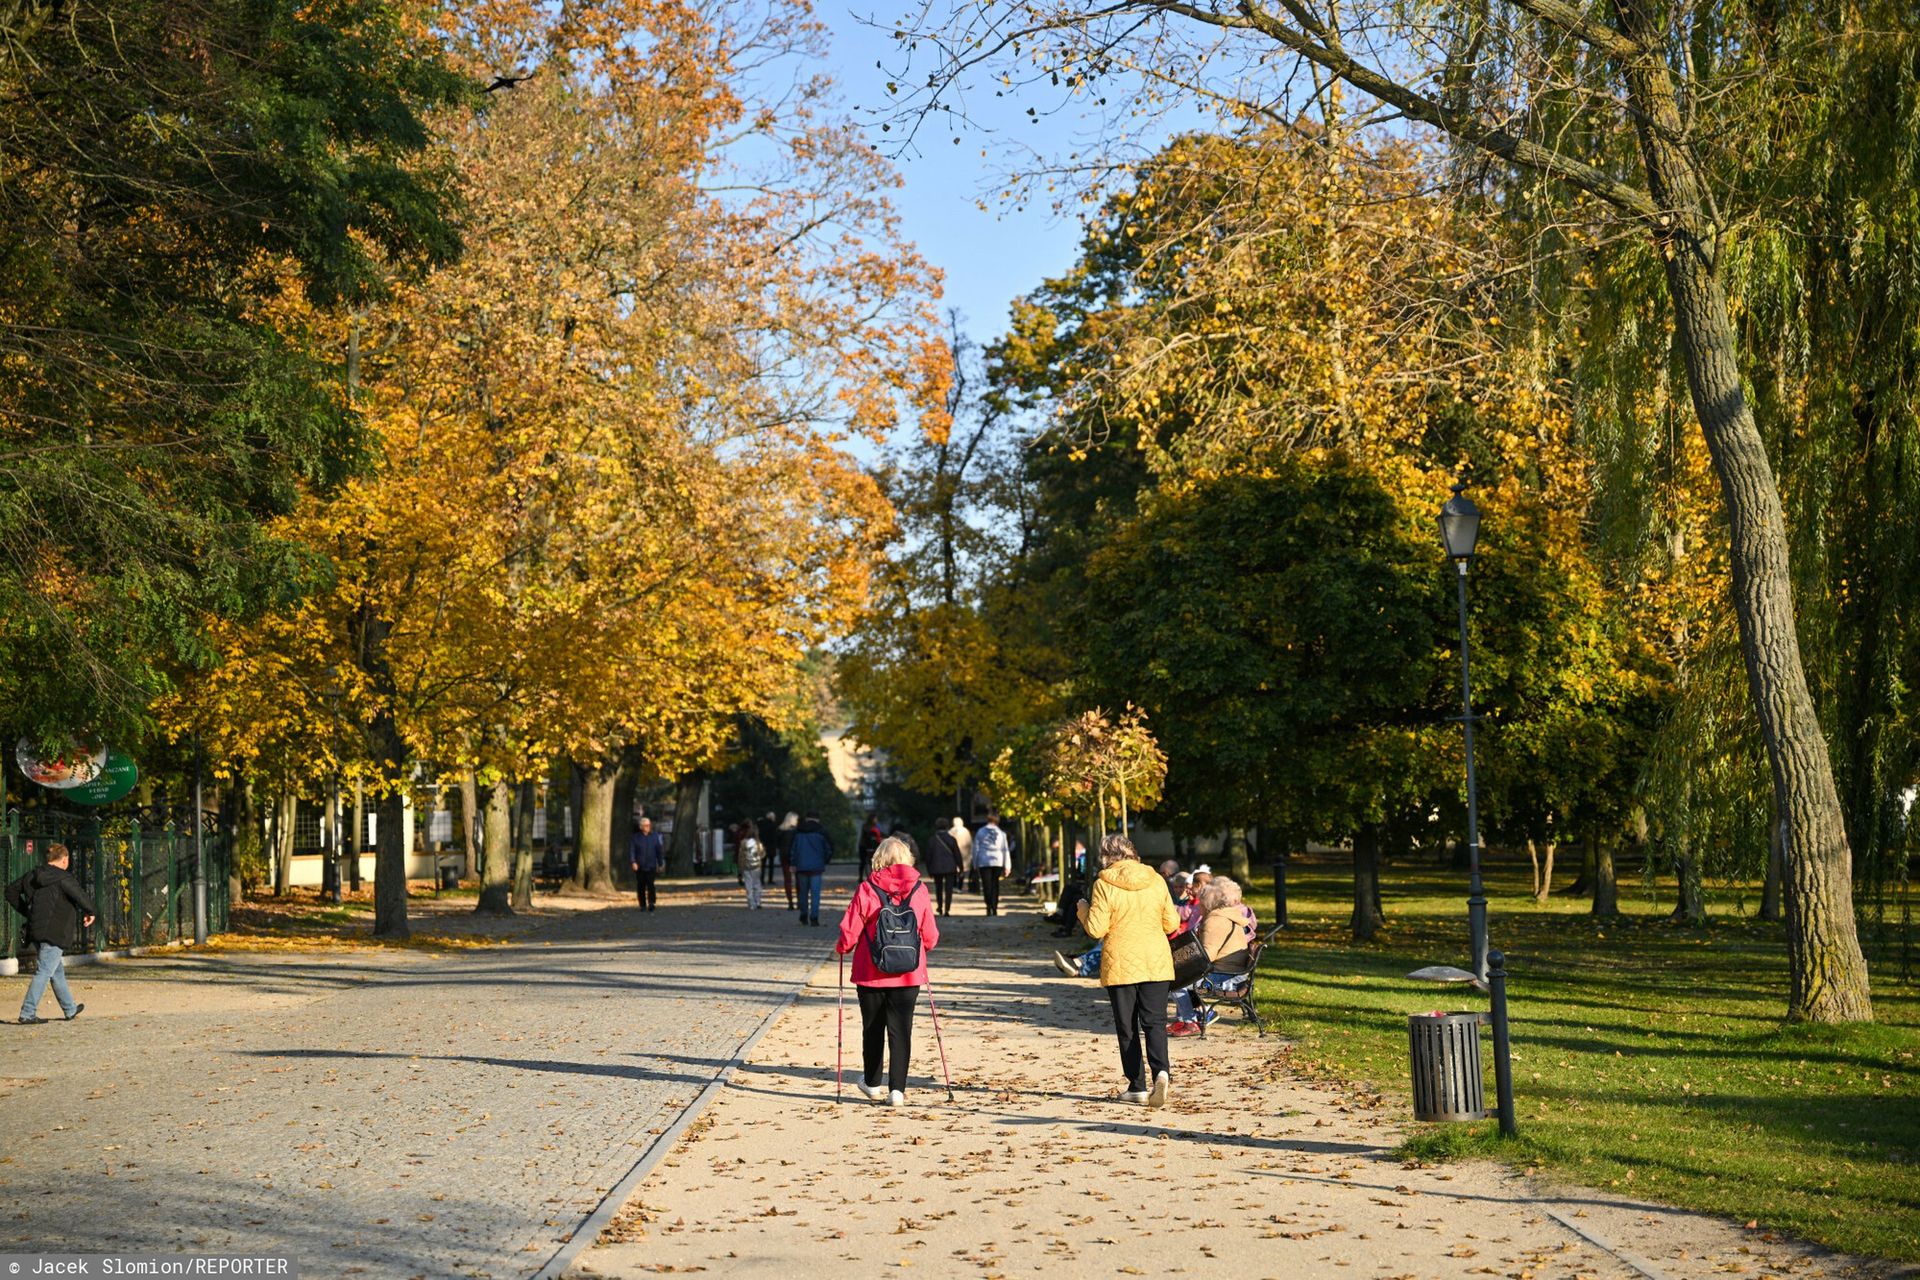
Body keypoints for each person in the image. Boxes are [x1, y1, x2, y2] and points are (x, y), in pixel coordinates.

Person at [834, 836, 940, 1105]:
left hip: (870, 972)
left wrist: (843, 947)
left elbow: (850, 930)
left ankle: (872, 1083)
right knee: (901, 1030)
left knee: (872, 1028)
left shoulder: (867, 888)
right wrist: (924, 947)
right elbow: (930, 936)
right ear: (907, 859)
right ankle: (897, 1091)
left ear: (879, 859)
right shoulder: (920, 890)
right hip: (908, 973)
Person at [1078, 833, 1179, 1107]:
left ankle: (1137, 1086)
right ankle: (1161, 1072)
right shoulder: (1156, 880)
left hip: (1121, 961)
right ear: (1132, 852)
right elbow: (1171, 923)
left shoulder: (1103, 884)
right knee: (1155, 1022)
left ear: (1105, 856)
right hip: (1155, 960)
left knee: (1127, 1027)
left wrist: (1083, 910)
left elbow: (1096, 929)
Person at [6, 842, 96, 1024]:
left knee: (56, 969)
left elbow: (10, 891)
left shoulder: (32, 875)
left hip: (36, 929)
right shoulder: (63, 877)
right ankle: (27, 1012)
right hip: (56, 931)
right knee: (45, 970)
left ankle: (70, 1008)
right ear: (64, 859)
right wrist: (91, 911)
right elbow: (80, 896)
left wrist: (27, 912)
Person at [1170, 877, 1256, 1036]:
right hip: (1233, 970)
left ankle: (1190, 1021)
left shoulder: (1215, 920)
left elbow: (1207, 955)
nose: (1198, 907)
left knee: (1177, 982)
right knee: (1180, 977)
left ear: (1206, 904)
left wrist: (1184, 963)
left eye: (1200, 904)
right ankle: (1185, 1019)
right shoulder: (1227, 915)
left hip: (1226, 975)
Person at [788, 811, 833, 926]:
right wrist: (824, 860)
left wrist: (793, 863)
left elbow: (793, 849)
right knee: (815, 894)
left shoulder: (798, 831)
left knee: (803, 893)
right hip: (816, 867)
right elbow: (828, 849)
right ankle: (814, 917)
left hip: (801, 866)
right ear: (818, 819)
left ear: (806, 819)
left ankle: (803, 915)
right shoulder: (821, 831)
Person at [972, 813, 1011, 916]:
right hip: (997, 861)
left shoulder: (980, 831)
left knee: (986, 885)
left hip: (984, 861)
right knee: (995, 884)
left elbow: (976, 848)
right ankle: (995, 906)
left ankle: (988, 905)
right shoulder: (1001, 833)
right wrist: (1007, 866)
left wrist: (975, 863)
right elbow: (1005, 849)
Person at [924, 818, 963, 916]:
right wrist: (961, 867)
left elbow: (928, 856)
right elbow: (957, 855)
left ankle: (940, 907)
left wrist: (929, 869)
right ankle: (947, 909)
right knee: (949, 889)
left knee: (939, 888)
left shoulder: (932, 840)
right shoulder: (952, 839)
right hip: (950, 868)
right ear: (947, 827)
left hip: (936, 867)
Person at [628, 817, 667, 912]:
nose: (648, 827)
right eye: (645, 825)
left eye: (649, 825)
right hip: (640, 866)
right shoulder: (635, 838)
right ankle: (642, 904)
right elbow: (632, 851)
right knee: (641, 886)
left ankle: (651, 902)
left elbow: (659, 851)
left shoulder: (654, 836)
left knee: (651, 885)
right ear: (641, 827)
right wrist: (633, 862)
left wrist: (660, 863)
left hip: (651, 865)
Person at [736, 823, 765, 909]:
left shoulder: (743, 843)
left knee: (748, 884)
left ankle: (751, 903)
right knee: (757, 884)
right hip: (756, 866)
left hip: (746, 866)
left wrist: (740, 865)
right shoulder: (758, 843)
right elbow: (762, 854)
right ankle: (758, 901)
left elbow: (740, 855)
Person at [776, 811, 799, 909]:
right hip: (795, 857)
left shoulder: (779, 830)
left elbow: (777, 844)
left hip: (784, 856)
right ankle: (799, 901)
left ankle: (790, 902)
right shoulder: (796, 831)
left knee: (787, 880)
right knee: (798, 880)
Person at [857, 812, 884, 881]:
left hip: (873, 846)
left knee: (873, 861)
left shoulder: (876, 826)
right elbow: (868, 835)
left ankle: (874, 876)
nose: (876, 820)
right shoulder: (866, 826)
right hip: (864, 845)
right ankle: (860, 877)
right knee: (863, 862)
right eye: (875, 818)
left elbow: (880, 834)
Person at [757, 812, 781, 888]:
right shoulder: (773, 825)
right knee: (771, 864)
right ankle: (770, 879)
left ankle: (761, 879)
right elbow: (775, 837)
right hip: (771, 847)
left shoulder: (762, 824)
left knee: (763, 864)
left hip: (763, 846)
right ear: (772, 817)